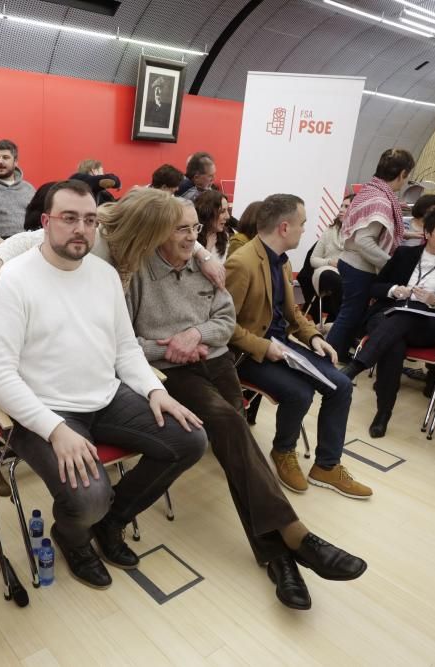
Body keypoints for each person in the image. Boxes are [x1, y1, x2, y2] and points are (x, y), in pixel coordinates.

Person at [127, 197, 367, 610]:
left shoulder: (209, 266)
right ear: (157, 231)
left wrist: (197, 336)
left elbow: (224, 321)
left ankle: (280, 561)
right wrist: (170, 347)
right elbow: (123, 343)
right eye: (181, 229)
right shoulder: (136, 275)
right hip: (172, 372)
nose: (191, 238)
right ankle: (297, 536)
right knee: (230, 426)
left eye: (194, 230)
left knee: (240, 454)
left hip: (216, 361)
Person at [0, 180, 207, 590]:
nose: (81, 228)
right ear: (45, 223)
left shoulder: (103, 275)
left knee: (189, 440)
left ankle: (111, 522)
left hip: (105, 396)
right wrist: (55, 429)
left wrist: (156, 391)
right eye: (69, 218)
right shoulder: (12, 280)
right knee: (88, 499)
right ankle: (73, 536)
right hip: (43, 410)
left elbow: (124, 348)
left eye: (88, 219)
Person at [225, 194, 371, 499]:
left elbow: (292, 315)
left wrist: (314, 337)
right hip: (248, 354)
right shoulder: (242, 262)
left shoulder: (282, 261)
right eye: (302, 224)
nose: (305, 229)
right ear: (284, 226)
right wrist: (264, 347)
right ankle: (283, 451)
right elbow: (224, 326)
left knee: (341, 385)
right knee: (300, 392)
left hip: (280, 346)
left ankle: (326, 466)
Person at [340, 203, 435, 437]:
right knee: (395, 342)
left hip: (426, 325)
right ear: (427, 233)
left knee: (404, 319)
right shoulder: (404, 254)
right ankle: (383, 413)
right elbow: (376, 287)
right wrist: (394, 291)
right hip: (387, 315)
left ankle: (357, 366)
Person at [0, 189, 227, 301]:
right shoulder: (94, 237)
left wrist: (203, 255)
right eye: (168, 230)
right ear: (146, 232)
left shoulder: (140, 243)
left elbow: (183, 238)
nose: (183, 235)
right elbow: (27, 239)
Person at [327, 148, 415, 362]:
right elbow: (364, 240)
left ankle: (337, 353)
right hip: (359, 266)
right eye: (408, 176)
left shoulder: (371, 190)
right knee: (350, 315)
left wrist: (412, 234)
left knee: (351, 313)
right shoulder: (382, 200)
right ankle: (329, 357)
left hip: (351, 262)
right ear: (403, 173)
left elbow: (370, 231)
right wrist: (391, 265)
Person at [306, 193, 354, 323]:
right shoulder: (329, 231)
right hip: (325, 271)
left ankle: (335, 322)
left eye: (346, 207)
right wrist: (330, 262)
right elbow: (313, 259)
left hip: (347, 275)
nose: (341, 209)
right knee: (331, 277)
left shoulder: (359, 235)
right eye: (341, 206)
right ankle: (343, 322)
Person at [195, 189, 231, 264]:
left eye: (227, 210)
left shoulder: (224, 236)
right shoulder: (192, 238)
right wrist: (207, 249)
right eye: (222, 211)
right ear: (207, 213)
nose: (228, 216)